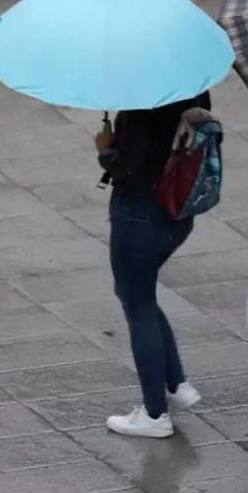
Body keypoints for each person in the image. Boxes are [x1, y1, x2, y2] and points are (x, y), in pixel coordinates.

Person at [96, 92, 210, 439]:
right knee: (141, 294)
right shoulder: (195, 89)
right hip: (178, 210)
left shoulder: (144, 104)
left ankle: (154, 414)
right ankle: (174, 382)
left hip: (140, 215)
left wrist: (105, 148)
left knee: (136, 302)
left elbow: (128, 166)